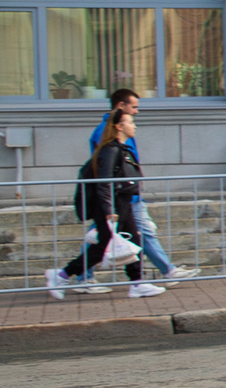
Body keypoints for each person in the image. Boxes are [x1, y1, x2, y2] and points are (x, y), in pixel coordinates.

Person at [67, 89, 198, 290]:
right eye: (134, 107)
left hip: (125, 197)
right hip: (119, 198)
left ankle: (150, 277)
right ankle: (79, 276)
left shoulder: (120, 132)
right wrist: (111, 204)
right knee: (108, 238)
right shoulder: (109, 135)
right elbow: (106, 172)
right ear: (121, 107)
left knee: (135, 234)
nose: (137, 112)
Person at [47, 113, 155, 299]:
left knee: (134, 241)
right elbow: (104, 182)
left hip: (123, 203)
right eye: (130, 122)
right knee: (103, 247)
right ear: (119, 127)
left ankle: (137, 283)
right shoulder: (110, 150)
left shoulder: (121, 149)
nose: (134, 126)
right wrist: (109, 211)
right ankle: (61, 275)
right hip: (111, 206)